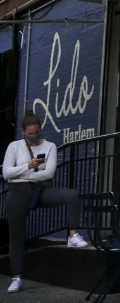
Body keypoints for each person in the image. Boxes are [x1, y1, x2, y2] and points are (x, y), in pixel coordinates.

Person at [2, 111, 88, 293]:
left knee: (72, 195)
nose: (33, 136)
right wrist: (28, 166)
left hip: (37, 190)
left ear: (41, 129)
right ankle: (17, 277)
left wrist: (26, 174)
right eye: (30, 133)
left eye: (36, 132)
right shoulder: (15, 146)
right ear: (23, 131)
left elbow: (48, 173)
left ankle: (72, 235)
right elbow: (7, 173)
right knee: (16, 237)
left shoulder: (50, 146)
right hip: (17, 192)